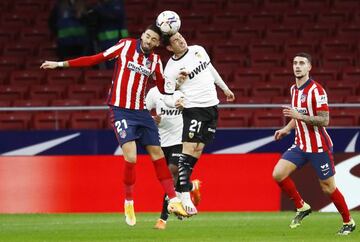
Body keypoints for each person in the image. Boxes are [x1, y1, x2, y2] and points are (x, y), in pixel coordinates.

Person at [40, 24, 188, 226]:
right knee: (131, 157)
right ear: (142, 35)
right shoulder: (125, 46)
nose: (149, 41)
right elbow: (94, 59)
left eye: (154, 40)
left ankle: (173, 200)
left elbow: (163, 88)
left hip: (142, 112)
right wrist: (60, 64)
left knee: (158, 156)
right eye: (147, 36)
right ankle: (128, 201)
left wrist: (176, 81)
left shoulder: (155, 61)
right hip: (121, 110)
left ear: (157, 44)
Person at [272, 53, 356, 235]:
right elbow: (298, 115)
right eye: (295, 63)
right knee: (278, 174)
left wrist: (299, 116)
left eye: (302, 63)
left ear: (309, 67)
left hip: (319, 147)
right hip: (301, 145)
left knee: (328, 187)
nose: (297, 66)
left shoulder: (317, 91)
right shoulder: (294, 89)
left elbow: (325, 121)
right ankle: (302, 207)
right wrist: (287, 128)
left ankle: (348, 221)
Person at [161, 32, 236, 216]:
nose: (181, 40)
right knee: (187, 150)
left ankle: (178, 192)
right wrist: (179, 85)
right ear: (170, 48)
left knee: (197, 151)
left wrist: (225, 89)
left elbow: (211, 70)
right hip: (193, 109)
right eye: (176, 41)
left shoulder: (198, 50)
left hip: (212, 107)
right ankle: (185, 197)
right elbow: (169, 93)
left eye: (181, 37)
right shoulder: (170, 68)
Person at [145, 86, 201, 230]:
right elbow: (141, 112)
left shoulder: (185, 91)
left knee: (171, 173)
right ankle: (190, 186)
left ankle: (162, 219)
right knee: (169, 179)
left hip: (180, 141)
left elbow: (197, 112)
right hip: (160, 141)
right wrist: (151, 119)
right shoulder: (154, 92)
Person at [89, 0, 129, 69]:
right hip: (103, 44)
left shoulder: (117, 3)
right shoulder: (99, 7)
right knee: (106, 68)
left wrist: (98, 11)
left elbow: (115, 15)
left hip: (117, 42)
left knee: (117, 67)